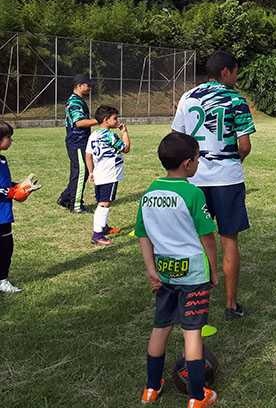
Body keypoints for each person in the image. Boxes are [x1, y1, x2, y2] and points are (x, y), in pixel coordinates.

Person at [136, 132, 219, 407]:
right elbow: (207, 236)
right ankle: (197, 396)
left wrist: (151, 269)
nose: (198, 163)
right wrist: (214, 270)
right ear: (187, 163)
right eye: (197, 158)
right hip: (193, 275)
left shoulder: (148, 193)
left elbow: (143, 235)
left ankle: (151, 388)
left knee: (161, 327)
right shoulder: (193, 193)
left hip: (164, 272)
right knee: (191, 333)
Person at [172, 50, 254, 320]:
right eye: (236, 70)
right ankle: (231, 305)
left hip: (193, 179)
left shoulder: (187, 97)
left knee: (198, 239)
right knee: (229, 240)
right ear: (225, 72)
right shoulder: (236, 99)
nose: (237, 75)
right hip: (227, 179)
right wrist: (229, 159)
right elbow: (244, 146)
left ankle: (197, 303)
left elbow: (176, 139)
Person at [0, 122, 42, 293]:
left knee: (6, 247)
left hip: (3, 213)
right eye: (8, 137)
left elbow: (4, 184)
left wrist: (21, 186)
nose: (11, 141)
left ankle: (2, 280)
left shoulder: (2, 159)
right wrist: (13, 193)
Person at [86, 105, 131, 247]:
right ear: (106, 120)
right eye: (115, 118)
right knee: (104, 203)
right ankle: (97, 234)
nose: (117, 120)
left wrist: (91, 172)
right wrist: (124, 132)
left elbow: (88, 155)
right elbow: (126, 148)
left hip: (99, 173)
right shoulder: (110, 135)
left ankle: (104, 227)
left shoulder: (93, 135)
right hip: (110, 174)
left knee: (102, 200)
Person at [58, 74, 97, 213]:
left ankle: (65, 198)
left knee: (78, 172)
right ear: (79, 85)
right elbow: (79, 122)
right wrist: (100, 120)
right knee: (82, 172)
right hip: (77, 142)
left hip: (79, 141)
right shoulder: (74, 102)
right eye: (88, 85)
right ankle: (76, 205)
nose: (90, 87)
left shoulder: (77, 100)